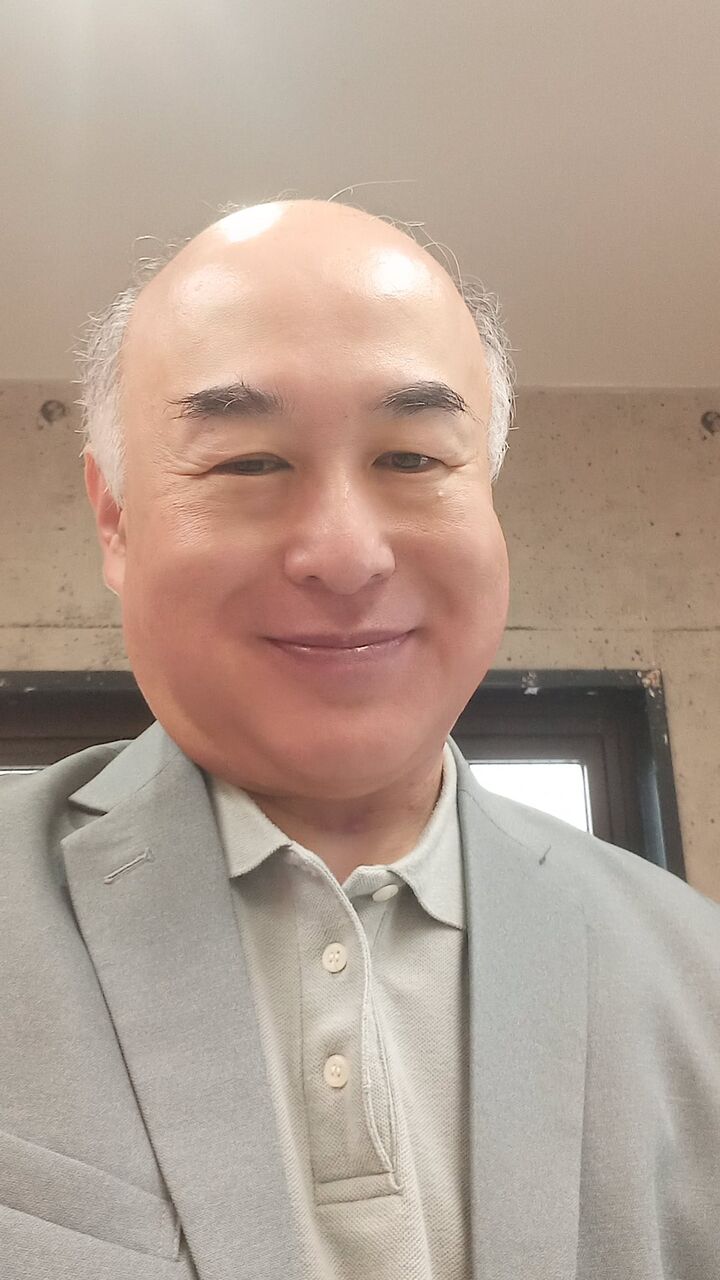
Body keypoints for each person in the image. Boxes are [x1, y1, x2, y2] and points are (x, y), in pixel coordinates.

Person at [1, 198, 718, 1280]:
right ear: (116, 518)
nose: (345, 555)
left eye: (413, 459)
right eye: (248, 463)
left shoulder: (695, 969)